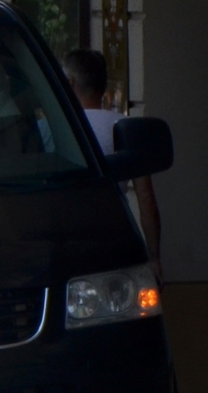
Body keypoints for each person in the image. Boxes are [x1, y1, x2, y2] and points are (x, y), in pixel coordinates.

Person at [65, 48, 161, 264]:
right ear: (103, 86)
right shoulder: (127, 128)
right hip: (117, 236)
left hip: (68, 240)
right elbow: (146, 198)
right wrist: (154, 258)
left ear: (69, 84)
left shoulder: (52, 128)